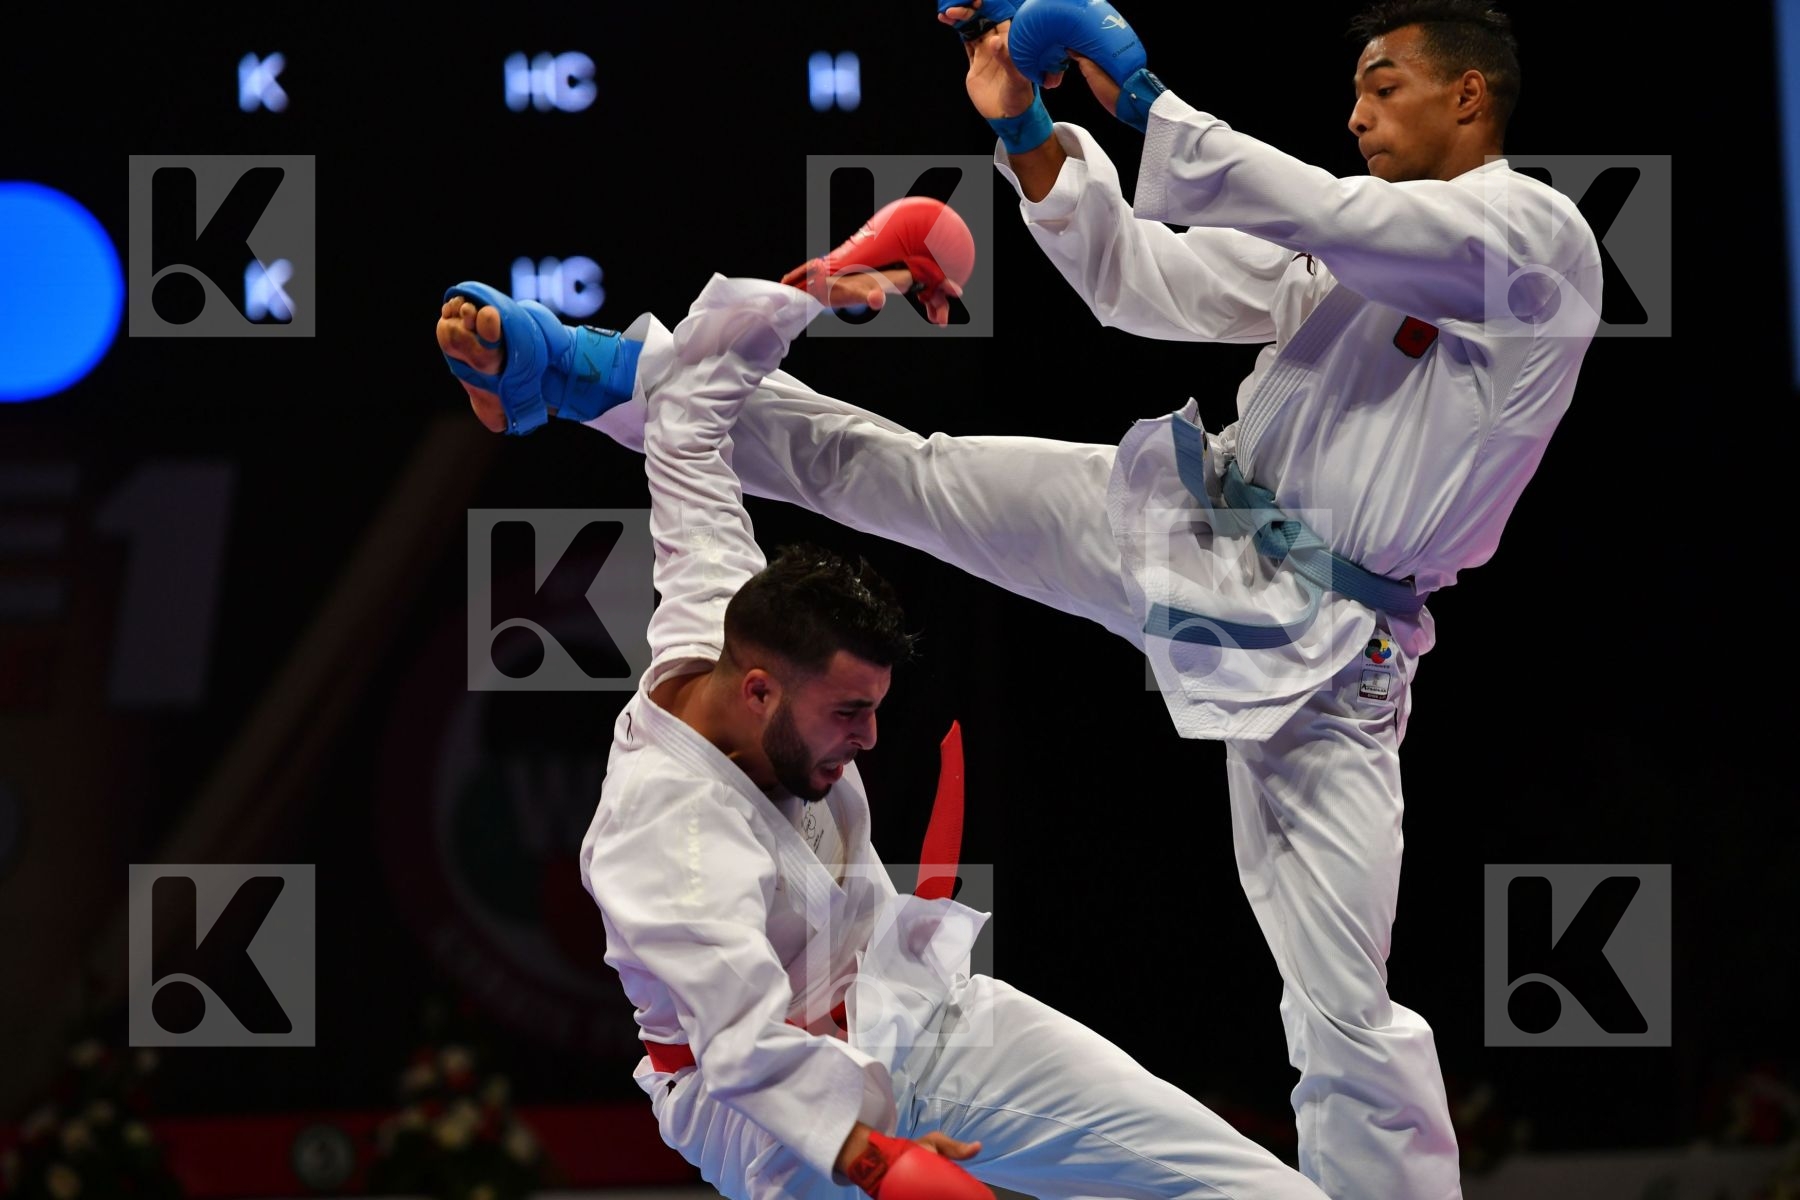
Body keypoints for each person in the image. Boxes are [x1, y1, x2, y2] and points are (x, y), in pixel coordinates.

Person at [442, 1, 1603, 1188]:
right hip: (1196, 524)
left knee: (1345, 1004)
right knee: (908, 473)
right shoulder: (1355, 251)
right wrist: (1028, 126)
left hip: (1334, 657)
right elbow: (1145, 282)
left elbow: (1326, 209)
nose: (1357, 113)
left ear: (1470, 97)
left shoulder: (1538, 245)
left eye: (1385, 85)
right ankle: (585, 371)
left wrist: (1144, 97)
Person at [436, 265, 1331, 1198]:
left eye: (874, 709)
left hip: (908, 1005)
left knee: (1242, 1188)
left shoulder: (723, 611)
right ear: (758, 692)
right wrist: (876, 1160)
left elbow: (692, 414)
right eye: (849, 714)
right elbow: (743, 1045)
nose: (868, 740)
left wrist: (824, 282)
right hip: (765, 1115)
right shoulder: (664, 833)